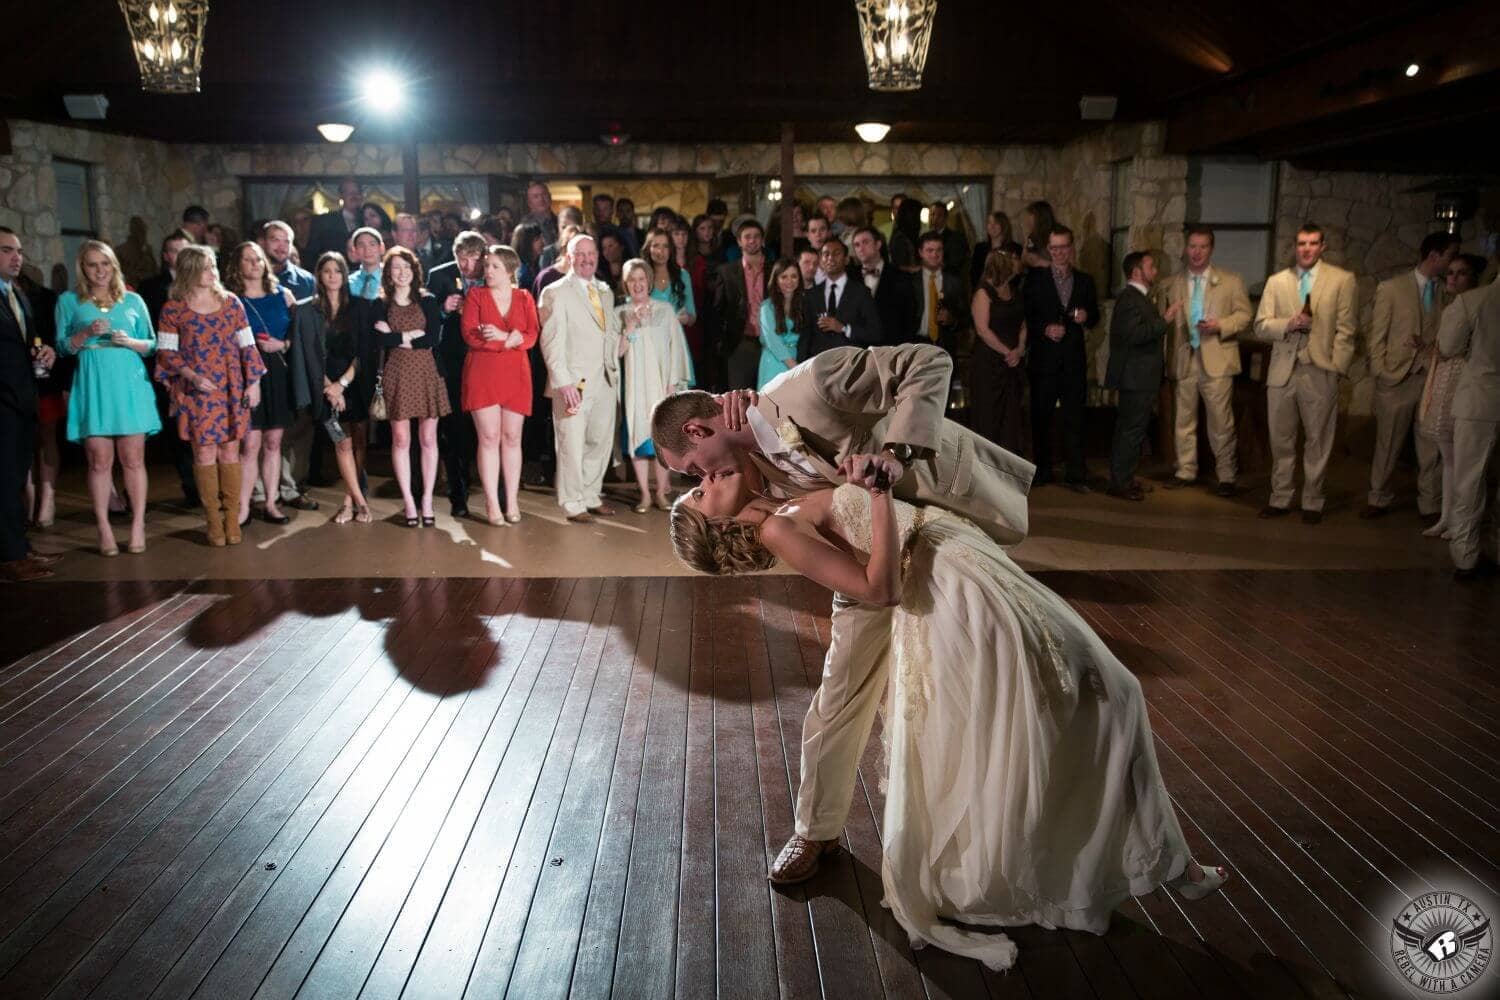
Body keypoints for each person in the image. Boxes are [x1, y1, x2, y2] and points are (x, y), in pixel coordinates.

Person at [667, 452, 1228, 970]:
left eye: (697, 478)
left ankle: (1136, 859)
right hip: (948, 581)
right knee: (1110, 690)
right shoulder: (777, 527)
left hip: (967, 557)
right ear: (720, 529)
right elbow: (879, 588)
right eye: (698, 493)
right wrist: (881, 497)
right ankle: (1162, 862)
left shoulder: (775, 488)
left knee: (1078, 700)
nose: (705, 479)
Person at [649, 344, 1031, 896]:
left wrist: (897, 451)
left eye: (691, 471)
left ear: (698, 434)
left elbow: (929, 361)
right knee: (836, 698)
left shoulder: (809, 386)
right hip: (863, 567)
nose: (699, 481)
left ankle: (1003, 811)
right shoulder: (741, 465)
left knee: (997, 671)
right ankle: (816, 832)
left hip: (941, 523)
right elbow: (765, 516)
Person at [54, 241, 160, 556]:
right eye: (92, 264)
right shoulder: (69, 301)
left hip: (129, 380)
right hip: (93, 381)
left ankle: (138, 524)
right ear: (82, 268)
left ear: (113, 266)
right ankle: (104, 528)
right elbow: (62, 347)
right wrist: (84, 334)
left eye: (105, 264)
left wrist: (131, 341)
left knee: (133, 459)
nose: (100, 270)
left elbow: (152, 344)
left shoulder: (134, 300)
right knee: (99, 460)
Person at [155, 246, 264, 546]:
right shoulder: (174, 308)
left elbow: (247, 345)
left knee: (230, 451)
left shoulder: (231, 303)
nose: (212, 272)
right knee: (204, 453)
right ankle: (213, 521)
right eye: (205, 267)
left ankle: (232, 519)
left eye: (213, 265)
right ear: (190, 270)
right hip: (198, 390)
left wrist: (252, 382)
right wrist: (190, 375)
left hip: (230, 387)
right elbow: (166, 352)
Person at [1253, 223, 1358, 524]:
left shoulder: (1341, 280)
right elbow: (1260, 326)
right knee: (1281, 439)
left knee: (1318, 439)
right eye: (1301, 243)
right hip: (1282, 372)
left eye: (1313, 243)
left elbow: (1347, 330)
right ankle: (1280, 497)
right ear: (1295, 246)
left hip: (1320, 370)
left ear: (1322, 246)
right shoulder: (1277, 281)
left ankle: (1313, 500)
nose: (1307, 248)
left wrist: (1336, 366)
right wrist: (1287, 323)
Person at [1363, 231, 1460, 522]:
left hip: (1432, 376)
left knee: (1431, 445)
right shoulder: (1391, 288)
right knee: (1387, 442)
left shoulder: (1447, 292)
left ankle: (1429, 504)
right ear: (1434, 255)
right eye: (1450, 256)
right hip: (1397, 377)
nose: (1452, 262)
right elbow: (1376, 335)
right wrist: (1381, 370)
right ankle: (1378, 497)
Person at [1153, 225, 1252, 496]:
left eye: (1203, 247)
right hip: (1184, 359)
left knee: (1221, 422)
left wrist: (1221, 324)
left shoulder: (1231, 281)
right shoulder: (1170, 284)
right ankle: (1185, 470)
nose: (1197, 252)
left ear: (1211, 249)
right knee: (1183, 420)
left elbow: (1245, 316)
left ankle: (1226, 476)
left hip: (1217, 359)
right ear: (1186, 248)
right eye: (1192, 246)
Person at [538, 233, 622, 523]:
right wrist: (562, 383)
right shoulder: (555, 291)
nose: (587, 259)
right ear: (569, 257)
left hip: (605, 381)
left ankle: (590, 494)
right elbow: (550, 342)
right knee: (571, 444)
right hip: (573, 383)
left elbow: (608, 335)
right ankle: (573, 502)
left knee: (599, 441)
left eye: (591, 253)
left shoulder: (606, 291)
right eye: (580, 254)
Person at [290, 252, 371, 525]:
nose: (332, 276)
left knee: (359, 441)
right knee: (342, 442)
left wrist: (343, 384)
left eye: (338, 270)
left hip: (354, 381)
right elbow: (307, 356)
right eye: (327, 271)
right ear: (319, 276)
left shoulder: (359, 307)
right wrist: (330, 388)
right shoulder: (306, 310)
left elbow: (364, 352)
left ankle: (350, 499)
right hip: (323, 385)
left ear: (344, 274)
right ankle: (359, 502)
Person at [222, 241, 298, 528]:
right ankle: (244, 506)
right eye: (248, 260)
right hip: (244, 374)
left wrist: (283, 343)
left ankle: (271, 502)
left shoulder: (283, 295)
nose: (255, 264)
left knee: (274, 441)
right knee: (250, 442)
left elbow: (297, 337)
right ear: (237, 265)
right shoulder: (231, 300)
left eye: (258, 259)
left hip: (277, 371)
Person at [461, 243, 539, 525]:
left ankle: (512, 501)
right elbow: (471, 336)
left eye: (494, 266)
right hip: (483, 373)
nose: (488, 271)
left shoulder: (525, 298)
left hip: (516, 374)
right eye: (486, 266)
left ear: (510, 269)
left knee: (512, 438)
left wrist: (503, 337)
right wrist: (508, 341)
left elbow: (531, 336)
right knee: (489, 438)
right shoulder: (476, 295)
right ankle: (492, 503)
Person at [0, 228, 61, 581]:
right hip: (2, 403)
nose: (16, 257)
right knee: (5, 480)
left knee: (16, 477)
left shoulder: (18, 295)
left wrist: (45, 351)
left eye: (18, 251)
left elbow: (28, 342)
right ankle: (10, 557)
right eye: (7, 250)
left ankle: (19, 547)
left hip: (23, 401)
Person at [374, 246, 449, 526]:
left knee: (428, 439)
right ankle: (408, 501)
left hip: (427, 371)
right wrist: (408, 337)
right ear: (388, 273)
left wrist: (395, 336)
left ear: (414, 270)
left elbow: (431, 339)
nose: (402, 272)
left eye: (406, 266)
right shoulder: (380, 304)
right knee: (401, 440)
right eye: (396, 267)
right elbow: (379, 341)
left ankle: (427, 499)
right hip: (397, 372)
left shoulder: (427, 300)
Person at [1024, 225, 1099, 490]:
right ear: (1049, 249)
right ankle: (1042, 470)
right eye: (1054, 248)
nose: (1058, 252)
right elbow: (1027, 317)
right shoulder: (1035, 280)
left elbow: (1096, 316)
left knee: (1074, 418)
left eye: (1063, 247)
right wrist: (1044, 328)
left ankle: (1076, 474)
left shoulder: (1085, 280)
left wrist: (1086, 317)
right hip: (1044, 362)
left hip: (1073, 361)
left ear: (1071, 248)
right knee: (1041, 416)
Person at [1419, 255, 1487, 540]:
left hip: (1460, 379)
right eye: (1451, 273)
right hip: (1448, 375)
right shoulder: (1454, 306)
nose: (1453, 278)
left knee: (1458, 459)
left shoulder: (1471, 305)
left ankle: (1459, 522)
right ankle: (1447, 517)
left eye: (1462, 273)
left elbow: (1448, 346)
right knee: (1449, 457)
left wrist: (1439, 348)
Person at [617, 259, 693, 512]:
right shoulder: (621, 312)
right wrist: (630, 326)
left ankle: (661, 492)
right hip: (635, 388)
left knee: (660, 442)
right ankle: (644, 495)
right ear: (626, 284)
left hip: (661, 386)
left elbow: (676, 348)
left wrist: (672, 383)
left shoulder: (665, 310)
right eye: (632, 280)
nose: (637, 284)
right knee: (638, 440)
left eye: (641, 279)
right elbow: (616, 352)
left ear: (649, 282)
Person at [1439, 280, 1499, 581]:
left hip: (1478, 400)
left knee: (1469, 480)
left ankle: (1465, 556)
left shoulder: (1473, 300)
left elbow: (1447, 345)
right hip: (1482, 400)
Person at [1106, 250, 1177, 500]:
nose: (1155, 270)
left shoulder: (1139, 298)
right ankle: (1121, 483)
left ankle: (1125, 478)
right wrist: (1164, 321)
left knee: (1133, 430)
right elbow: (1133, 335)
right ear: (1137, 272)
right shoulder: (1130, 299)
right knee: (1130, 430)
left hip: (1140, 377)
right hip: (1135, 377)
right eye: (1151, 266)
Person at [429, 231, 487, 517]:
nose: (466, 266)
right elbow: (428, 323)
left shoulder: (493, 275)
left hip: (486, 362)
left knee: (485, 432)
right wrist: (443, 310)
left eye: (472, 260)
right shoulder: (439, 277)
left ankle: (492, 495)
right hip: (451, 364)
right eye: (461, 259)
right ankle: (458, 497)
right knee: (453, 432)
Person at [968, 244, 1027, 455]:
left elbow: (1022, 324)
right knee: (988, 415)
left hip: (1012, 363)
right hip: (989, 363)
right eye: (1015, 261)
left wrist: (1019, 349)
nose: (1020, 264)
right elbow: (982, 330)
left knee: (1011, 418)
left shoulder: (1015, 290)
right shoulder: (984, 292)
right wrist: (1006, 352)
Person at [19, 270, 67, 528]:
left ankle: (48, 498)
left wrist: (48, 350)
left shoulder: (44, 297)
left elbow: (56, 338)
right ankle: (28, 497)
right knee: (23, 439)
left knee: (46, 436)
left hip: (44, 376)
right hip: (14, 379)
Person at [798, 238, 883, 360]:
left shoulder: (861, 292)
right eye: (826, 254)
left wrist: (844, 328)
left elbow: (875, 333)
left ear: (846, 259)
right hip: (818, 367)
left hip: (851, 364)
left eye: (836, 253)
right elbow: (805, 338)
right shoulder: (811, 295)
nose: (830, 258)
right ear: (821, 260)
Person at [716, 218, 768, 390]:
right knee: (739, 399)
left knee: (770, 396)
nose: (752, 240)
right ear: (739, 241)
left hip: (771, 343)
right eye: (747, 237)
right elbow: (718, 310)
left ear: (762, 239)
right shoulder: (726, 271)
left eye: (756, 236)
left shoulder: (774, 269)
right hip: (739, 343)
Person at [851, 226, 916, 346]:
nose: (861, 248)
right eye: (856, 245)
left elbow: (909, 318)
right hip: (858, 350)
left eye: (865, 242)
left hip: (891, 348)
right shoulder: (850, 277)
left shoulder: (900, 277)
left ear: (878, 244)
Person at [912, 231, 966, 354]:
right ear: (920, 252)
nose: (934, 254)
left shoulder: (954, 282)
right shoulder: (910, 282)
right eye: (929, 250)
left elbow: (966, 317)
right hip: (915, 346)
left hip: (945, 346)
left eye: (939, 250)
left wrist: (952, 320)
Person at [643, 227, 696, 340]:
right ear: (648, 249)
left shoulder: (683, 275)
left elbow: (692, 316)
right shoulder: (640, 276)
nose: (661, 251)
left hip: (676, 342)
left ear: (671, 249)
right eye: (656, 246)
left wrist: (686, 318)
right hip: (649, 343)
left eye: (665, 246)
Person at [758, 258, 804, 389]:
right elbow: (773, 341)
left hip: (798, 359)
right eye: (784, 277)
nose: (789, 281)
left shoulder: (803, 304)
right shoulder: (766, 307)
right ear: (776, 280)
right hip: (775, 361)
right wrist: (795, 368)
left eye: (794, 276)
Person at [307, 178, 363, 259]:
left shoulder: (367, 221)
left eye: (357, 192)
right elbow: (312, 253)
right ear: (341, 195)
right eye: (349, 192)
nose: (354, 196)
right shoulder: (324, 221)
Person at [927, 201, 970, 288]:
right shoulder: (925, 237)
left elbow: (957, 263)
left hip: (949, 285)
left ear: (945, 218)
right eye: (932, 214)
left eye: (939, 215)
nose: (935, 218)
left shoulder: (956, 238)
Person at [970, 210, 1013, 292]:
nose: (992, 226)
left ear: (1004, 226)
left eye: (996, 223)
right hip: (982, 292)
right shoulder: (979, 248)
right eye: (989, 223)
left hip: (1004, 294)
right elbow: (974, 274)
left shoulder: (1013, 248)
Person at [347, 227, 385, 301]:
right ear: (354, 251)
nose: (367, 249)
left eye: (372, 244)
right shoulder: (348, 283)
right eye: (361, 245)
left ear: (381, 248)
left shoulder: (392, 279)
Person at [888, 198, 923, 273]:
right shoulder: (900, 237)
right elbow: (897, 266)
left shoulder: (908, 235)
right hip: (903, 281)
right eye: (917, 215)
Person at [1020, 200, 1058, 269]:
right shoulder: (1032, 236)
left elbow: (1064, 268)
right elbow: (1024, 261)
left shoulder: (1057, 236)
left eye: (1031, 215)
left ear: (1040, 217)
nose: (1027, 220)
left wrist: (1040, 261)